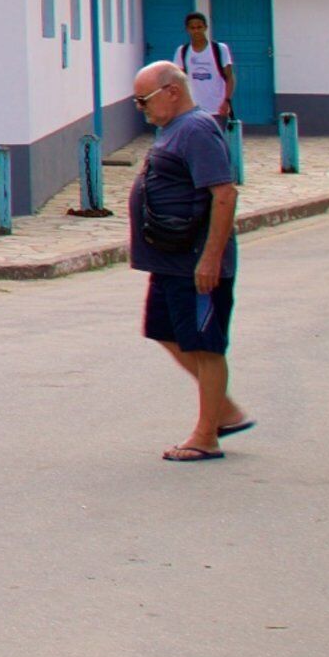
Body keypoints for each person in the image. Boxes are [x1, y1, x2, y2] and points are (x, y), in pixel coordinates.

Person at [127, 59, 245, 462]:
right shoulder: (174, 130)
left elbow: (224, 194)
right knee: (163, 330)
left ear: (172, 92)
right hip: (170, 264)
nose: (140, 109)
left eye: (143, 100)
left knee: (205, 345)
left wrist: (210, 260)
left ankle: (206, 434)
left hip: (195, 264)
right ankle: (223, 409)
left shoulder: (195, 130)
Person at [174, 13, 237, 126]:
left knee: (215, 141)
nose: (196, 31)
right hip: (192, 110)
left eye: (199, 27)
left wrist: (226, 101)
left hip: (216, 109)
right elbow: (178, 80)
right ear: (187, 29)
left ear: (205, 27)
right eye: (192, 28)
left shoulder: (220, 49)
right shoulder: (182, 51)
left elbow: (230, 78)